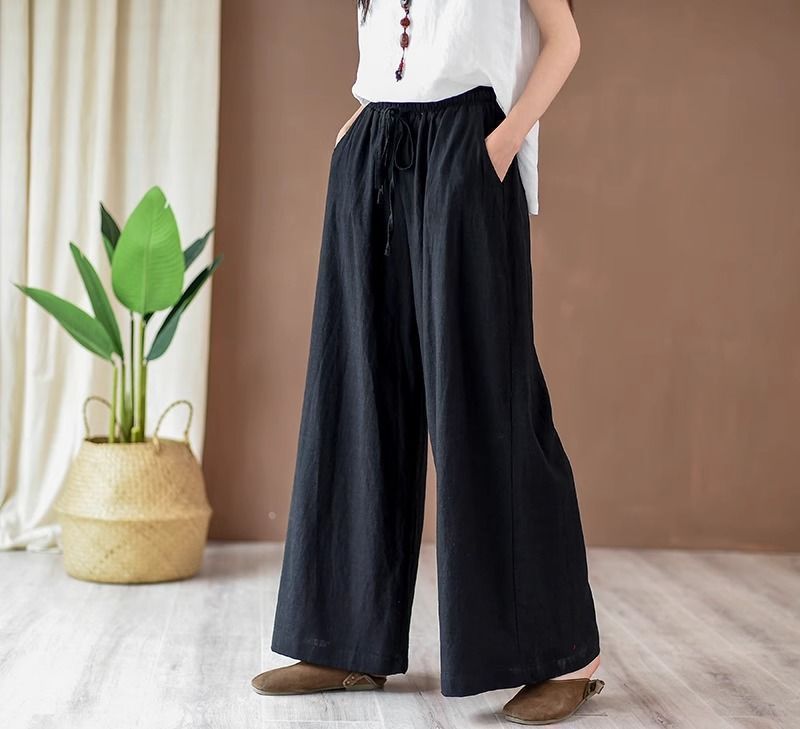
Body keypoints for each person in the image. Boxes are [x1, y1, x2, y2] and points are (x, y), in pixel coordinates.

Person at [252, 0, 604, 724]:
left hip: (466, 144)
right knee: (356, 389)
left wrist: (503, 141)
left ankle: (563, 655)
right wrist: (357, 127)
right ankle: (345, 639)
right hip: (375, 143)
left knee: (485, 397)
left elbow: (564, 39)